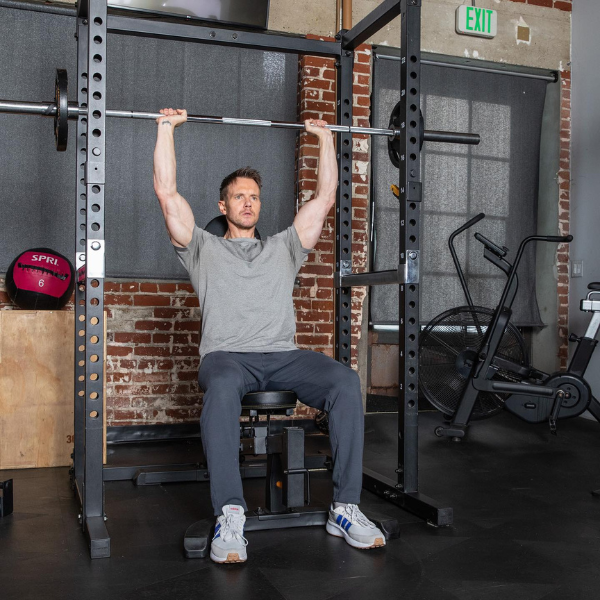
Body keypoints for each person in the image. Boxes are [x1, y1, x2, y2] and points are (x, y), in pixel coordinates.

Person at [153, 108, 385, 564]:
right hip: (227, 357)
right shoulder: (202, 246)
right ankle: (231, 514)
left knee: (343, 381)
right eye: (238, 197)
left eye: (253, 197)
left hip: (282, 355)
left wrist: (324, 137)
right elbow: (166, 192)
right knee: (219, 389)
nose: (247, 203)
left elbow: (325, 196)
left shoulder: (284, 246)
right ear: (223, 206)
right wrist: (166, 129)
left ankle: (346, 507)